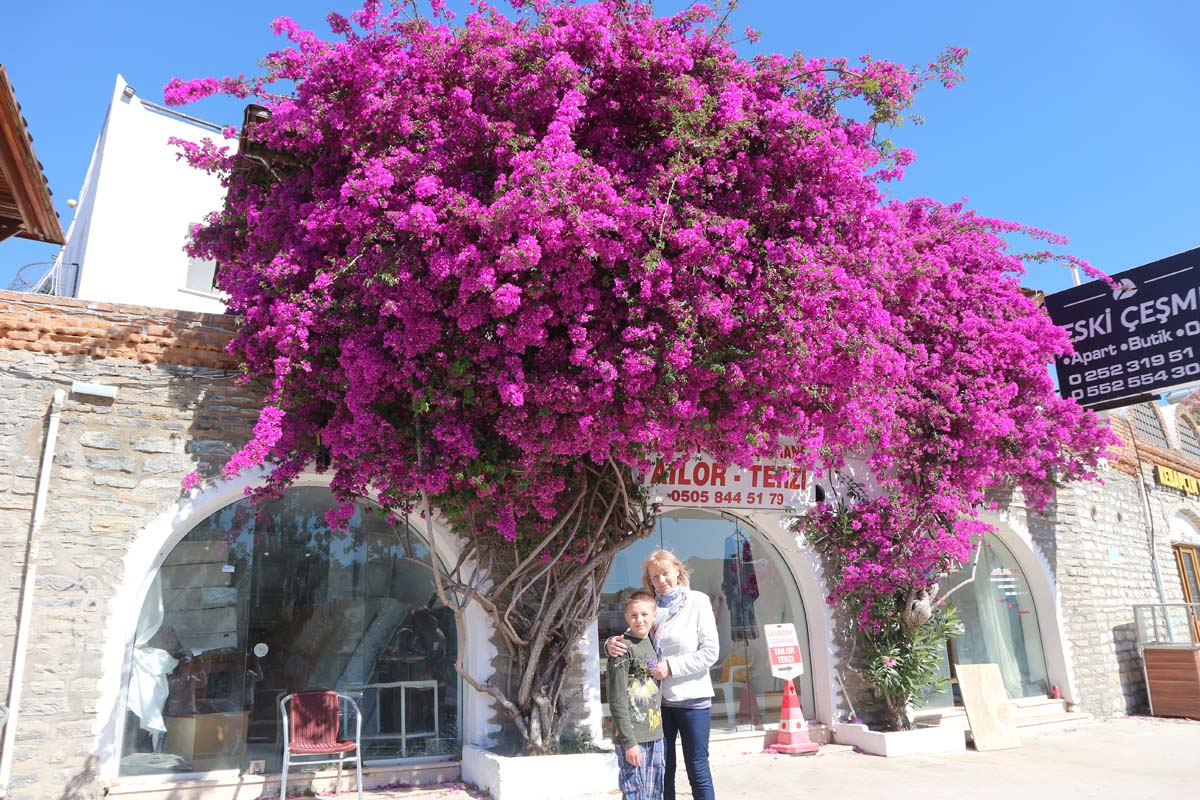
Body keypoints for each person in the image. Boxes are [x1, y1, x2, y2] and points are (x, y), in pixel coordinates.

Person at [607, 550, 719, 800]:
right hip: (658, 706)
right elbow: (633, 638)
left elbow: (710, 652)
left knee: (698, 769)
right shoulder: (650, 607)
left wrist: (670, 667)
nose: (661, 580)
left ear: (677, 571)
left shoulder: (698, 601)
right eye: (655, 577)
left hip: (693, 701)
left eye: (665, 573)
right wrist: (610, 645)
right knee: (663, 772)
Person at [607, 590, 665, 800]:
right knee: (635, 792)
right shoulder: (622, 649)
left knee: (655, 791)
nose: (639, 620)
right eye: (633, 615)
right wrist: (629, 742)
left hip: (655, 734)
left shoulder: (651, 643)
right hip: (632, 737)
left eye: (644, 614)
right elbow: (617, 700)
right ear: (626, 617)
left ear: (654, 615)